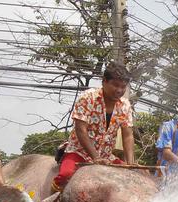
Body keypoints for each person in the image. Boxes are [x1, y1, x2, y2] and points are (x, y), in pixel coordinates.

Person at [53, 62, 135, 190]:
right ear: (104, 81)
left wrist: (131, 164)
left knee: (132, 178)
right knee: (65, 176)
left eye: (123, 87)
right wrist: (95, 158)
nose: (119, 90)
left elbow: (128, 136)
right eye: (115, 85)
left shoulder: (125, 105)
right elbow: (81, 130)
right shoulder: (88, 97)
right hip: (80, 152)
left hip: (107, 156)